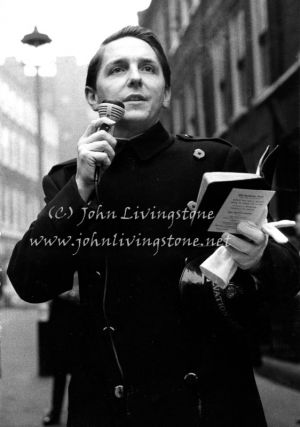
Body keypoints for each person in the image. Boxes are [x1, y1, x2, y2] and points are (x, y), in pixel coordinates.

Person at [7, 26, 299, 427]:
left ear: (166, 93)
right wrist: (81, 187)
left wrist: (259, 257)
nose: (135, 77)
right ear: (94, 98)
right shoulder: (67, 180)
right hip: (110, 403)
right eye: (118, 69)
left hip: (207, 403)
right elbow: (29, 280)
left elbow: (281, 284)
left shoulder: (215, 161)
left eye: (148, 68)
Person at [42, 273, 81, 426]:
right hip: (63, 319)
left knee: (78, 371)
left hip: (79, 319)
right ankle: (56, 412)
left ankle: (70, 413)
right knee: (60, 370)